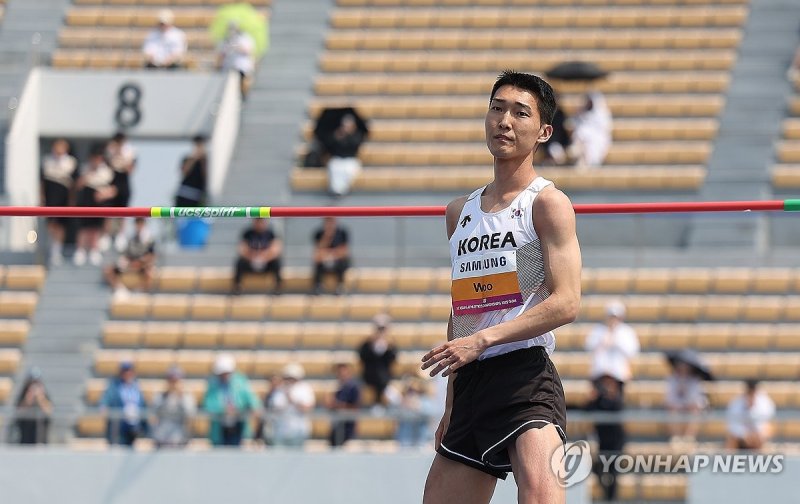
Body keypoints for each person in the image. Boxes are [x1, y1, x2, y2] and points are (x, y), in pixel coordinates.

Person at [420, 71, 581, 504]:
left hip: (524, 378)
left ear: (544, 132)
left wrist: (483, 340)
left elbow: (566, 302)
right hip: (472, 385)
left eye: (520, 113)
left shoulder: (547, 203)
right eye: (497, 108)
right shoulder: (459, 212)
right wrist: (452, 401)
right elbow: (463, 311)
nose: (504, 121)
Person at [203, 353, 260, 447]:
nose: (225, 376)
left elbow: (251, 398)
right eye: (222, 373)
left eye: (227, 373)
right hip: (220, 426)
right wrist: (223, 410)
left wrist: (254, 407)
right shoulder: (213, 385)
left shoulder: (240, 382)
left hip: (238, 424)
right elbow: (208, 404)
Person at [74, 144, 117, 266]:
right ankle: (81, 250)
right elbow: (77, 185)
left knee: (95, 227)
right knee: (84, 227)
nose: (96, 160)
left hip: (100, 202)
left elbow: (114, 189)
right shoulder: (84, 168)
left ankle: (94, 249)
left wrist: (103, 193)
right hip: (86, 200)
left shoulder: (107, 171)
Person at [585, 374, 625, 502]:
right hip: (603, 441)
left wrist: (610, 395)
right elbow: (587, 409)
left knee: (613, 471)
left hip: (616, 441)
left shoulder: (617, 399)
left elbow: (617, 408)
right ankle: (608, 497)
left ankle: (611, 499)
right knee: (598, 468)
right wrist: (593, 398)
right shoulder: (598, 400)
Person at [585, 301, 639, 392]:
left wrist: (616, 342)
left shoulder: (626, 332)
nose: (613, 320)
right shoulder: (598, 330)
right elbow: (589, 347)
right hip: (600, 373)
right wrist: (602, 341)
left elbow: (632, 351)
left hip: (619, 374)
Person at [40, 139, 79, 266]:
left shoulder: (71, 162)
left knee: (61, 225)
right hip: (50, 196)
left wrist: (72, 200)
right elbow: (41, 182)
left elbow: (75, 184)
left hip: (64, 197)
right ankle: (51, 248)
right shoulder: (47, 161)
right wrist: (41, 197)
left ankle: (57, 250)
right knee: (51, 223)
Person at [262, 363, 316, 448]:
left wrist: (292, 400)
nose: (289, 380)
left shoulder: (305, 389)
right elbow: (275, 408)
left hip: (299, 431)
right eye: (287, 377)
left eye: (292, 378)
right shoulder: (280, 390)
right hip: (280, 431)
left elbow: (307, 408)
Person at [103, 217, 156, 297]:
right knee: (108, 270)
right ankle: (120, 289)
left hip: (142, 266)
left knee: (149, 273)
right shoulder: (130, 239)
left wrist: (140, 262)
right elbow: (126, 254)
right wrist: (128, 262)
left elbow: (151, 256)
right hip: (130, 264)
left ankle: (142, 293)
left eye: (141, 223)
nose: (139, 225)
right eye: (137, 223)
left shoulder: (149, 239)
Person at [100, 361, 147, 447]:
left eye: (129, 371)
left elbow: (142, 403)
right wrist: (104, 406)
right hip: (119, 425)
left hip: (133, 426)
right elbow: (106, 398)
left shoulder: (136, 386)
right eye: (125, 371)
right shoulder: (115, 386)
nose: (127, 373)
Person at [104, 132, 136, 253]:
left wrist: (122, 156)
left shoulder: (130, 151)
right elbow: (106, 166)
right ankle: (106, 235)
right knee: (108, 209)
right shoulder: (109, 150)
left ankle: (120, 235)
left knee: (123, 209)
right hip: (111, 180)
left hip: (123, 181)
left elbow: (130, 169)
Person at [232, 218, 283, 295]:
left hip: (266, 262)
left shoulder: (270, 234)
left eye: (261, 221)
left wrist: (264, 257)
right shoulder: (248, 233)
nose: (259, 224)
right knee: (240, 262)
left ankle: (278, 287)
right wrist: (253, 257)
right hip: (250, 261)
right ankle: (237, 287)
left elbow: (276, 249)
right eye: (257, 221)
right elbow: (242, 249)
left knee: (277, 263)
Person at [151, 366, 196, 448]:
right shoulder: (160, 396)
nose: (174, 383)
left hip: (180, 436)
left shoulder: (186, 397)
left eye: (176, 380)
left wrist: (181, 397)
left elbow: (190, 414)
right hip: (162, 436)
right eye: (171, 380)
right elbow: (154, 413)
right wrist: (166, 396)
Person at [725, 379, 776, 451]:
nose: (751, 394)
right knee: (731, 440)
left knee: (765, 433)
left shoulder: (765, 402)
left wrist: (755, 434)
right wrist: (744, 434)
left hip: (758, 434)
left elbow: (767, 421)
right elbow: (732, 423)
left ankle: (761, 455)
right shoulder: (736, 402)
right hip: (741, 435)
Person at [358, 313, 397, 405]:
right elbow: (362, 356)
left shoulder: (390, 345)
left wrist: (389, 347)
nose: (381, 332)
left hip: (385, 380)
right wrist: (371, 345)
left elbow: (393, 359)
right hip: (369, 380)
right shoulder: (367, 344)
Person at [665, 359, 708, 443]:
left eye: (685, 366)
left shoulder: (695, 380)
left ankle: (689, 438)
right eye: (681, 366)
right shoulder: (672, 379)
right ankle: (676, 438)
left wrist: (687, 403)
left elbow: (696, 400)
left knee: (695, 411)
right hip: (676, 407)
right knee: (673, 411)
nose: (683, 368)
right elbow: (669, 399)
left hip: (691, 407)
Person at [567, 91, 612, 168]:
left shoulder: (602, 114)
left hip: (597, 139)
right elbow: (573, 123)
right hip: (582, 139)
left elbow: (605, 129)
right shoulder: (582, 112)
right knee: (580, 133)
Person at [323, 114, 365, 197]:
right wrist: (338, 138)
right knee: (334, 167)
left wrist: (347, 137)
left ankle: (343, 190)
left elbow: (354, 146)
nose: (346, 128)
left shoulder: (357, 135)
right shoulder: (338, 135)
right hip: (338, 159)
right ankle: (336, 191)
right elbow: (331, 147)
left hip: (351, 160)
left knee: (348, 170)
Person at [311, 217, 351, 295]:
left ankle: (340, 286)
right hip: (324, 261)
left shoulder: (342, 233)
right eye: (327, 221)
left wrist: (330, 254)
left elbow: (344, 252)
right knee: (318, 264)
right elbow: (317, 255)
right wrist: (326, 237)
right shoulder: (319, 234)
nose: (329, 224)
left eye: (331, 221)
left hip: (337, 261)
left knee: (342, 262)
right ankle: (318, 286)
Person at [216, 21, 255, 100]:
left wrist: (237, 46)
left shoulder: (244, 38)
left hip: (242, 66)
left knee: (242, 83)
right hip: (229, 66)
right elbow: (221, 53)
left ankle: (243, 97)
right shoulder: (226, 39)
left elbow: (248, 51)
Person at [13, 369, 52, 444]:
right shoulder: (23, 394)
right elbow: (18, 411)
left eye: (36, 382)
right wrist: (29, 398)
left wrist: (40, 398)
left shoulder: (44, 394)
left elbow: (49, 411)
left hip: (41, 436)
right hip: (26, 435)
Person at [327, 362, 360, 447]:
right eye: (339, 373)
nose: (341, 375)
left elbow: (355, 407)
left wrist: (338, 405)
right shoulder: (339, 388)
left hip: (348, 428)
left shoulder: (353, 388)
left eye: (343, 372)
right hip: (338, 427)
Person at [175, 135, 208, 207]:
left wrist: (202, 159)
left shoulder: (205, 160)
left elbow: (205, 175)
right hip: (184, 192)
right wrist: (194, 158)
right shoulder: (188, 158)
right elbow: (184, 172)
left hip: (197, 194)